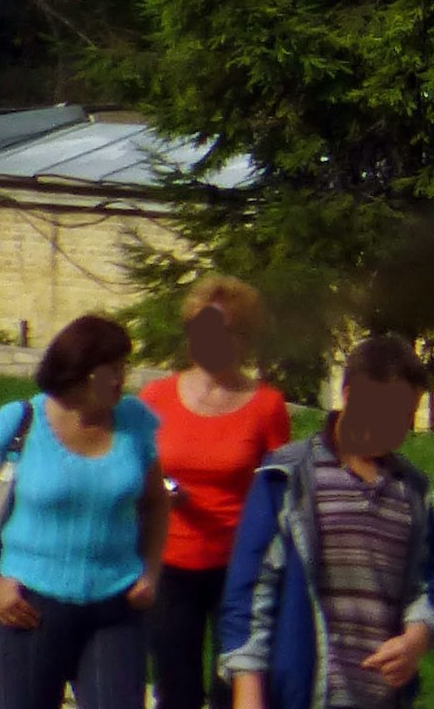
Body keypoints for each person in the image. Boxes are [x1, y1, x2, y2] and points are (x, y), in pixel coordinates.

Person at [216, 337, 434, 709]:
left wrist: (415, 640)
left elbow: (432, 586)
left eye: (409, 414)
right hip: (302, 696)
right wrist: (247, 692)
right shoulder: (287, 477)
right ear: (349, 394)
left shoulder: (412, 493)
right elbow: (250, 594)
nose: (399, 425)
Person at [0, 311, 167, 709]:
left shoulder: (135, 422)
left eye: (126, 368)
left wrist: (151, 571)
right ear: (80, 372)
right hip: (29, 607)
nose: (123, 379)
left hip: (115, 606)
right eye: (113, 369)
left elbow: (156, 504)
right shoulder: (21, 421)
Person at [142, 283, 292, 709]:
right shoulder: (156, 397)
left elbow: (278, 487)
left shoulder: (265, 405)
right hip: (169, 561)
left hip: (239, 566)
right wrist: (161, 489)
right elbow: (135, 468)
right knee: (176, 687)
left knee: (235, 687)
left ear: (242, 338)